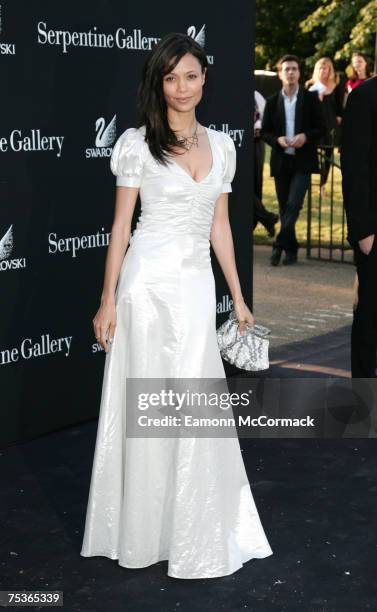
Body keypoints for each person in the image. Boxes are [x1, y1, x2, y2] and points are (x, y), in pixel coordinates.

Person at [80, 32, 273, 578]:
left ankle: (191, 525)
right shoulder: (137, 144)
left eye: (190, 75)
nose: (181, 87)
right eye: (171, 77)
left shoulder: (225, 147)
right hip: (144, 288)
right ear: (158, 83)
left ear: (205, 78)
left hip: (192, 289)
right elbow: (120, 228)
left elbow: (221, 230)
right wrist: (107, 299)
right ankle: (142, 530)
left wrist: (238, 297)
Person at [261, 54, 326, 266]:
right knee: (284, 208)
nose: (290, 72)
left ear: (299, 73)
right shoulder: (271, 102)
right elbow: (265, 132)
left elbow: (322, 129)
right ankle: (291, 249)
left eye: (294, 69)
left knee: (293, 205)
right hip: (281, 161)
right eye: (286, 69)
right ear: (280, 73)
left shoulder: (310, 99)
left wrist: (306, 136)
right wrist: (277, 139)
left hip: (303, 161)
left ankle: (278, 246)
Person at [341, 75, 377, 378]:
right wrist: (363, 231)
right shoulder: (365, 97)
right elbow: (355, 168)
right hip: (375, 232)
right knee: (370, 319)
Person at [306, 57, 341, 197]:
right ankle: (308, 182)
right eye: (320, 68)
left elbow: (339, 108)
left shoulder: (335, 86)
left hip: (330, 127)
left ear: (330, 70)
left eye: (325, 68)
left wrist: (339, 119)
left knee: (328, 156)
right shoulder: (310, 86)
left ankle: (322, 185)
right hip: (315, 127)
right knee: (312, 154)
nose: (322, 70)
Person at [253, 91, 279, 236]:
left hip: (255, 144)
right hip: (236, 143)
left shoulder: (256, 95)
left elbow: (266, 118)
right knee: (240, 185)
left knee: (255, 186)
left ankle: (262, 220)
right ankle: (267, 218)